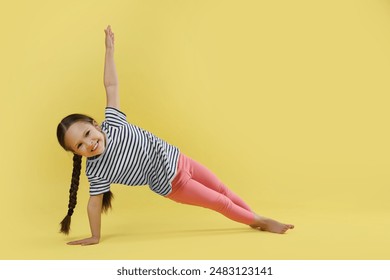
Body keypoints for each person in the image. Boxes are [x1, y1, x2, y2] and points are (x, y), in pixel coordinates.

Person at [56, 25, 294, 246]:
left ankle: (253, 217)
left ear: (95, 125)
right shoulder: (96, 171)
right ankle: (260, 221)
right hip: (174, 184)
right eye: (80, 145)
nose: (89, 143)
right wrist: (95, 236)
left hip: (180, 159)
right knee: (220, 203)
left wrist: (109, 50)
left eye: (88, 133)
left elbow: (111, 86)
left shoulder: (114, 123)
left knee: (223, 189)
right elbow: (93, 204)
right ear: (76, 153)